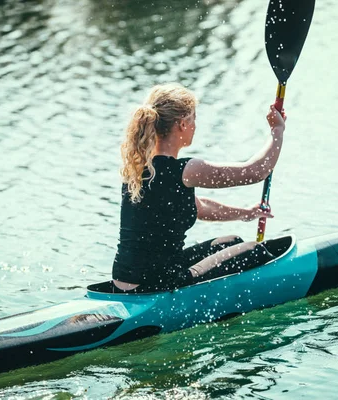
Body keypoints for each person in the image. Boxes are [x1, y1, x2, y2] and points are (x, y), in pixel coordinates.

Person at [112, 83, 286, 293]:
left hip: (123, 279)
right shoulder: (187, 169)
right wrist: (277, 131)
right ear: (183, 124)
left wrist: (246, 213)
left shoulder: (138, 167)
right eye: (194, 119)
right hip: (157, 283)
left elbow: (198, 206)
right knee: (255, 251)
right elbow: (256, 172)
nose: (196, 125)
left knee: (231, 242)